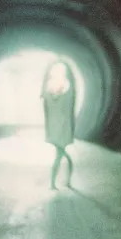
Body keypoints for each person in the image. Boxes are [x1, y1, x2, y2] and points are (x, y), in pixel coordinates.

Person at [41, 60, 76, 189]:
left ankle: (56, 183)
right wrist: (51, 67)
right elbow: (44, 86)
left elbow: (71, 85)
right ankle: (64, 182)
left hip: (59, 133)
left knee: (60, 157)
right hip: (58, 133)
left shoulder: (55, 99)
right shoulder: (56, 99)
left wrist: (54, 67)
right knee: (63, 156)